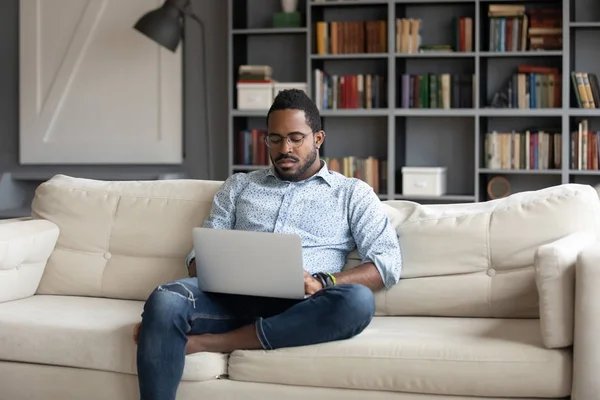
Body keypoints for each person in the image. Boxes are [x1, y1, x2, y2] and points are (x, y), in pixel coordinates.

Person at [134, 89, 402, 400]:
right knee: (165, 298)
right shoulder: (239, 185)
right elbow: (198, 256)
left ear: (318, 138)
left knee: (357, 301)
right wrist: (167, 313)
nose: (284, 148)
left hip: (303, 306)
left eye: (295, 138)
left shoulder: (351, 193)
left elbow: (386, 264)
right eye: (274, 139)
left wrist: (322, 282)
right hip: (230, 300)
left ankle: (212, 342)